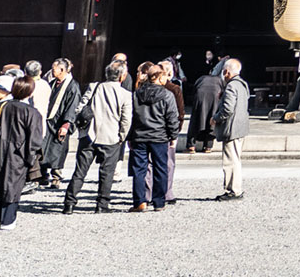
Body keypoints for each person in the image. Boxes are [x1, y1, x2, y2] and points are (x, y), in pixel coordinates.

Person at [66, 59, 133, 214]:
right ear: (122, 76)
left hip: (89, 134)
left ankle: (69, 203)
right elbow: (126, 119)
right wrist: (122, 136)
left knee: (80, 171)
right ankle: (102, 204)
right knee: (106, 173)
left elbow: (80, 107)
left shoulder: (94, 87)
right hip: (111, 136)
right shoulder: (125, 94)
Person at [0, 76, 45, 231]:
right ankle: (7, 220)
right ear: (30, 92)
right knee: (12, 185)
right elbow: (35, 138)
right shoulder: (32, 112)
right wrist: (32, 156)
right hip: (19, 152)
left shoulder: (5, 107)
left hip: (1, 148)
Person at [128, 61, 180, 212]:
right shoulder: (167, 95)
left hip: (139, 136)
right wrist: (173, 136)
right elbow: (172, 117)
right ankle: (159, 202)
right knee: (160, 168)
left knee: (139, 170)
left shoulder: (136, 94)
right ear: (158, 77)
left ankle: (139, 201)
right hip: (159, 136)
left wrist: (130, 137)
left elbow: (132, 117)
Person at [212, 59, 249, 201]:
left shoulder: (231, 87)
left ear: (227, 72)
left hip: (231, 127)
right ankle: (236, 188)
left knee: (230, 160)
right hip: (240, 126)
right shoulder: (243, 85)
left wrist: (216, 118)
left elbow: (227, 108)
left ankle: (233, 190)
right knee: (236, 159)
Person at [43, 59, 82, 187]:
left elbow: (72, 106)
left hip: (61, 122)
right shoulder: (53, 83)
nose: (52, 71)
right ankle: (42, 175)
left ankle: (56, 177)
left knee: (58, 150)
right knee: (44, 148)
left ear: (62, 70)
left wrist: (66, 125)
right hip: (50, 120)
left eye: (54, 69)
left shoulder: (73, 86)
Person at [190, 59, 225, 156]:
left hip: (200, 95)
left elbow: (194, 89)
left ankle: (191, 146)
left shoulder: (202, 78)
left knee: (196, 119)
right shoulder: (219, 80)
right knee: (212, 119)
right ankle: (208, 146)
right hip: (215, 96)